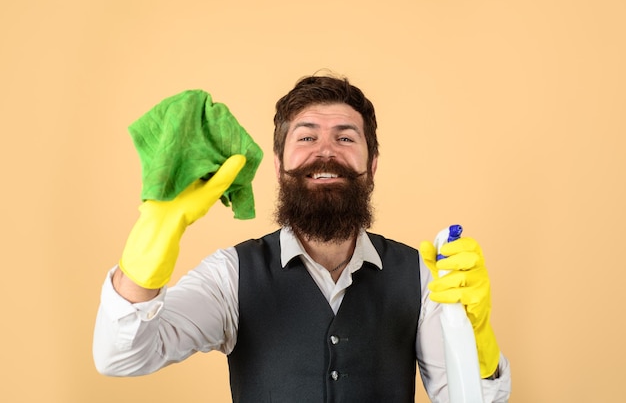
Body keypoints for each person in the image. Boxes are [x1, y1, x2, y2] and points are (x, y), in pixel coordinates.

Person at [93, 75, 512, 402]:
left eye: (346, 138)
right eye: (307, 137)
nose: (326, 152)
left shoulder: (420, 276)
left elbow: (472, 401)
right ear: (279, 165)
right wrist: (153, 238)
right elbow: (121, 356)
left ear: (373, 165)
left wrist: (477, 339)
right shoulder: (231, 275)